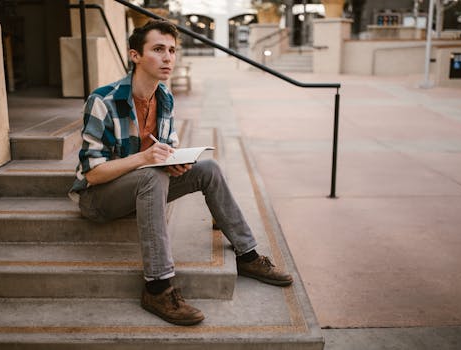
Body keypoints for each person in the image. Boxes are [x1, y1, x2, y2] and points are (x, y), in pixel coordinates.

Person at [69, 19, 293, 326]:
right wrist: (145, 158)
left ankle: (248, 255)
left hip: (143, 187)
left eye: (172, 50)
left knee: (208, 168)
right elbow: (92, 174)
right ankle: (157, 286)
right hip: (99, 199)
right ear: (135, 55)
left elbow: (165, 147)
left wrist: (175, 160)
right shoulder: (102, 101)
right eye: (158, 49)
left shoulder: (165, 98)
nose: (168, 58)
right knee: (150, 174)